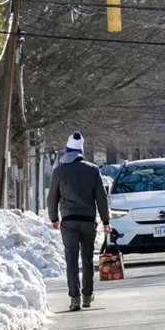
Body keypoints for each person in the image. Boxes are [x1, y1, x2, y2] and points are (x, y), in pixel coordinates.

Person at [48, 131, 111, 311]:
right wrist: (106, 221)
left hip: (68, 222)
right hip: (88, 221)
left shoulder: (59, 171)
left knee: (71, 259)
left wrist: (54, 218)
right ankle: (87, 296)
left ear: (67, 151)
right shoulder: (92, 170)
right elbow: (101, 198)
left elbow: (52, 197)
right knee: (87, 258)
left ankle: (74, 298)